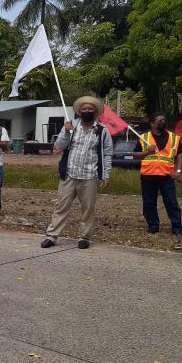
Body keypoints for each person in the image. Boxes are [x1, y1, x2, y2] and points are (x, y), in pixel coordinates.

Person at [41, 96, 112, 250]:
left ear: (95, 112)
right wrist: (66, 132)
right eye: (84, 109)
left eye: (90, 109)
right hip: (70, 174)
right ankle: (52, 236)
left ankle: (84, 237)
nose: (87, 111)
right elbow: (58, 146)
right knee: (61, 206)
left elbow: (107, 153)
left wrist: (105, 174)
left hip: (90, 175)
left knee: (88, 209)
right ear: (79, 112)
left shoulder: (102, 130)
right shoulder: (70, 126)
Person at [132, 113, 182, 235]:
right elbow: (135, 155)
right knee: (149, 202)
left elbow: (180, 154)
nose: (163, 122)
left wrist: (179, 170)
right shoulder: (144, 137)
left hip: (167, 176)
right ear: (152, 123)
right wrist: (146, 153)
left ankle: (177, 227)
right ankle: (153, 225)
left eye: (164, 120)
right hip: (148, 175)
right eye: (159, 120)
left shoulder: (174, 137)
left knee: (171, 202)